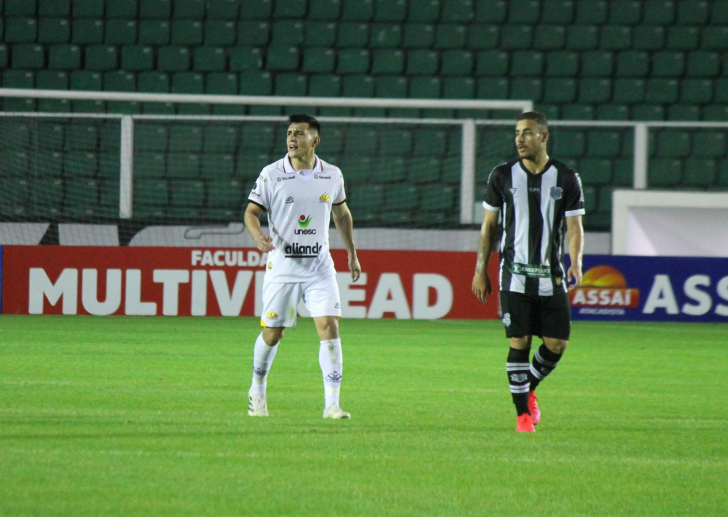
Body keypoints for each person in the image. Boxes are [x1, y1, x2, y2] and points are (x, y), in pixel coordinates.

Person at [471, 112, 585, 432]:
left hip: (551, 276)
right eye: (517, 133)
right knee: (518, 341)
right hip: (514, 274)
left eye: (528, 133)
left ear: (544, 137)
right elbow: (488, 227)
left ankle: (529, 386)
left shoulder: (565, 178)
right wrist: (481, 270)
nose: (520, 139)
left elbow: (575, 227)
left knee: (557, 344)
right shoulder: (502, 175)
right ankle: (522, 415)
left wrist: (576, 261)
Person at [244, 114, 361, 419]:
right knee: (273, 333)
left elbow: (342, 215)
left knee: (329, 327)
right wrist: (258, 236)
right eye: (289, 133)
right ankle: (257, 388)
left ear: (315, 141)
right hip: (282, 269)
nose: (292, 138)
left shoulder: (332, 175)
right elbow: (251, 212)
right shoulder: (272, 174)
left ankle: (332, 404)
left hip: (319, 269)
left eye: (299, 133)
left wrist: (351, 253)